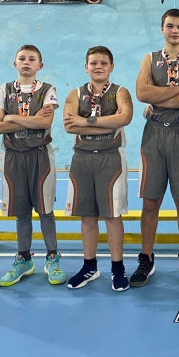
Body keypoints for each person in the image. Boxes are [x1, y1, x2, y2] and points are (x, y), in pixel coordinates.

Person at [131, 8, 179, 287]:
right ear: (162, 29)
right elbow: (141, 93)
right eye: (170, 26)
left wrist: (158, 95)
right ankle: (146, 258)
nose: (175, 31)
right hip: (153, 135)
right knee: (150, 201)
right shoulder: (149, 59)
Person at [0, 44, 65, 286]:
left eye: (32, 59)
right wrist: (30, 119)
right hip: (13, 156)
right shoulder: (3, 90)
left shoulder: (47, 90)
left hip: (40, 156)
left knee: (45, 210)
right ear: (15, 64)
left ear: (39, 65)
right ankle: (24, 260)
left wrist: (11, 117)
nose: (26, 62)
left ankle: (52, 259)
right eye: (22, 58)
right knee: (21, 213)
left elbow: (44, 124)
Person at [63, 46, 134, 291]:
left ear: (111, 67)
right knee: (88, 216)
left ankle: (118, 268)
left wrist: (86, 121)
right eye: (93, 63)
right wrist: (107, 123)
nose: (98, 67)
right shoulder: (75, 93)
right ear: (86, 67)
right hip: (82, 159)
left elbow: (124, 118)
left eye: (104, 63)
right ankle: (89, 267)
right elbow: (69, 126)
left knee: (112, 216)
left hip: (110, 158)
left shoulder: (120, 92)